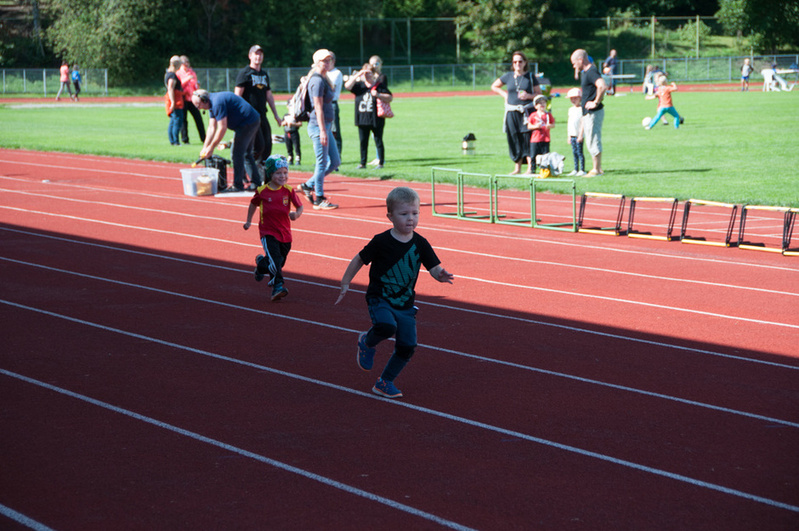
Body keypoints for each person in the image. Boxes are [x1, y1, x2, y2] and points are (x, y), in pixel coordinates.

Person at [335, 186, 454, 399]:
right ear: (390, 216)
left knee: (408, 346)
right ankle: (367, 341)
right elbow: (360, 259)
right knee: (386, 326)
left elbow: (434, 267)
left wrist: (440, 275)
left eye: (415, 213)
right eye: (404, 214)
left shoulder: (420, 243)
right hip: (380, 297)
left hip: (405, 304)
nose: (410, 219)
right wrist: (345, 282)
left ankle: (385, 382)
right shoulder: (381, 241)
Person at [243, 155, 303, 301]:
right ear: (270, 174)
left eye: (285, 173)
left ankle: (261, 265)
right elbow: (253, 204)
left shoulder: (288, 191)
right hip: (268, 232)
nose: (283, 176)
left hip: (285, 233)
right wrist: (248, 221)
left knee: (278, 263)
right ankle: (277, 287)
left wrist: (296, 214)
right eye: (278, 173)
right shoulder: (262, 191)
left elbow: (300, 206)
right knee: (275, 261)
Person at [296, 49, 341, 210]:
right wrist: (322, 130)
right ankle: (319, 199)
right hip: (318, 126)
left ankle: (308, 185)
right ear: (316, 62)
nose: (327, 63)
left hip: (325, 125)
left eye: (329, 60)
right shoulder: (317, 81)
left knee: (335, 162)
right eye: (324, 60)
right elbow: (318, 107)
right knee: (321, 163)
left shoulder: (324, 78)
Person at [192, 89, 262, 191]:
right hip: (250, 121)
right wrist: (205, 147)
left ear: (204, 100)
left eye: (198, 105)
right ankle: (256, 183)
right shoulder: (212, 103)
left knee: (237, 153)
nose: (198, 109)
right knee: (246, 153)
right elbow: (211, 127)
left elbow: (222, 128)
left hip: (247, 123)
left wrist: (211, 148)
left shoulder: (217, 103)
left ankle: (238, 185)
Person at [491, 51, 542, 175]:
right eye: (515, 62)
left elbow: (539, 94)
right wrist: (505, 95)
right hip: (512, 111)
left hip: (527, 111)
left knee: (527, 138)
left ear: (525, 63)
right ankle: (517, 168)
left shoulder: (530, 77)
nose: (517, 64)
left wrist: (529, 96)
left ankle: (530, 167)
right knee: (514, 138)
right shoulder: (508, 76)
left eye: (520, 61)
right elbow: (494, 86)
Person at [235, 45, 281, 164]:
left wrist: (276, 115)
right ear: (250, 56)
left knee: (267, 145)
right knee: (258, 146)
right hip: (250, 116)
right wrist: (238, 115)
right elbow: (237, 96)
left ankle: (261, 168)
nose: (258, 57)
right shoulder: (245, 73)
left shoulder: (264, 74)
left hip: (262, 115)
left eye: (260, 54)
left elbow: (269, 95)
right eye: (256, 54)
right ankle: (248, 166)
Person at [345, 63, 392, 169]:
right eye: (365, 73)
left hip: (376, 119)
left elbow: (390, 97)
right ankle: (363, 163)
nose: (367, 75)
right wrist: (358, 75)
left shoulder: (379, 86)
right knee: (363, 142)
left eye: (369, 73)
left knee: (378, 140)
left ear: (374, 74)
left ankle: (381, 163)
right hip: (362, 119)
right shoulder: (359, 86)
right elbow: (347, 86)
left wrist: (378, 94)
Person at [570, 48, 606, 177]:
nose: (574, 66)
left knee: (593, 139)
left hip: (593, 112)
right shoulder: (585, 72)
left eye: (574, 63)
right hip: (587, 113)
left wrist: (596, 102)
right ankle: (597, 168)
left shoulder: (591, 71)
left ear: (580, 60)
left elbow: (602, 85)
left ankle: (596, 169)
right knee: (590, 139)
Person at [366, 55, 391, 166]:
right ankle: (377, 156)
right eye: (372, 64)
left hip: (379, 107)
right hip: (370, 107)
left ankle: (380, 158)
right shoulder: (369, 76)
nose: (374, 66)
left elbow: (380, 87)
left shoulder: (382, 77)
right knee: (373, 135)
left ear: (381, 64)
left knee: (378, 135)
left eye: (376, 63)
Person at [177, 55, 206, 144]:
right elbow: (179, 86)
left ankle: (204, 138)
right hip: (183, 98)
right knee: (184, 120)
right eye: (184, 63)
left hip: (192, 98)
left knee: (198, 118)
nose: (187, 64)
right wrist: (187, 79)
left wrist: (197, 86)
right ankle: (185, 139)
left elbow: (195, 84)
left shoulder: (192, 72)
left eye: (187, 62)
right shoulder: (178, 73)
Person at [527, 94, 554, 174]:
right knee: (533, 155)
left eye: (544, 103)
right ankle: (533, 169)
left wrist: (549, 126)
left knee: (545, 155)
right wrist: (535, 126)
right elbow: (529, 126)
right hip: (535, 139)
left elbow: (553, 124)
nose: (542, 105)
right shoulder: (533, 115)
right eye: (540, 103)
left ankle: (544, 169)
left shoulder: (548, 115)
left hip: (545, 138)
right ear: (535, 106)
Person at [164, 56, 185, 146]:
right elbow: (171, 88)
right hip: (176, 100)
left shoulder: (168, 73)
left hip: (174, 99)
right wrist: (173, 102)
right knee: (177, 120)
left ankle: (173, 140)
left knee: (173, 120)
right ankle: (175, 141)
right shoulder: (172, 75)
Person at [565, 88, 585, 176]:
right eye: (571, 98)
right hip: (572, 134)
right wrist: (569, 136)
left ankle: (582, 169)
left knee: (580, 152)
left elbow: (583, 122)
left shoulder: (582, 109)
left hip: (579, 134)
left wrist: (581, 135)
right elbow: (569, 123)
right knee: (574, 152)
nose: (573, 100)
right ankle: (575, 169)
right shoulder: (571, 109)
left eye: (575, 98)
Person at [328, 52, 344, 157]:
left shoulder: (336, 73)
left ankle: (337, 156)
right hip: (322, 104)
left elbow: (331, 87)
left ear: (333, 61)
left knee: (334, 131)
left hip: (331, 104)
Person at [281, 99, 302, 165]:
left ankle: (298, 159)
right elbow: (282, 123)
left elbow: (300, 123)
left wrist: (293, 124)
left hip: (294, 132)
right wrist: (285, 122)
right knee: (289, 147)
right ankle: (290, 158)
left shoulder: (296, 115)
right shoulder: (286, 115)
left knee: (296, 146)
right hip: (287, 133)